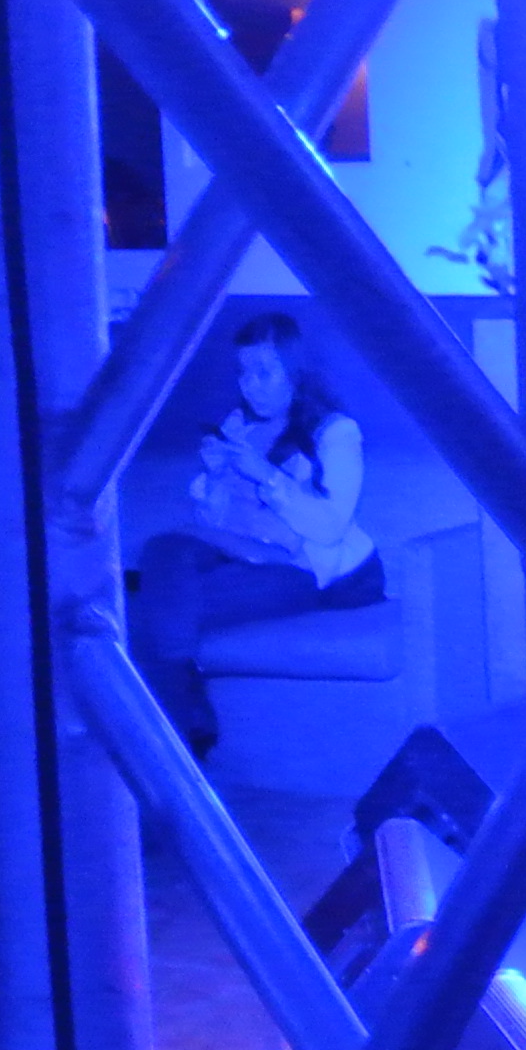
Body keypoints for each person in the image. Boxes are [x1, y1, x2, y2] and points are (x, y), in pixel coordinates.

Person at [134, 314, 383, 756]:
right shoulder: (240, 425)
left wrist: (265, 475)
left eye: (263, 373)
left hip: (308, 571)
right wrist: (215, 478)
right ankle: (184, 720)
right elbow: (217, 526)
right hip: (247, 555)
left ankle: (179, 733)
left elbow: (329, 529)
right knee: (163, 549)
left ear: (297, 372)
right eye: (243, 373)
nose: (249, 386)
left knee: (143, 612)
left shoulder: (336, 433)